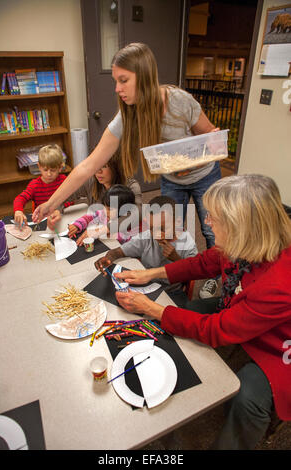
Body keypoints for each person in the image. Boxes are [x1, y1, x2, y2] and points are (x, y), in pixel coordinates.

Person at [114, 174, 291, 450]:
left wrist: (151, 308)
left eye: (213, 218)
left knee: (248, 396)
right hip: (241, 306)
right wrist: (151, 273)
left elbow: (217, 330)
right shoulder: (247, 241)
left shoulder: (279, 284)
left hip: (279, 343)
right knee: (185, 311)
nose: (205, 223)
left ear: (240, 228)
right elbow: (204, 262)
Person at [32, 42, 220, 297]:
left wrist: (193, 162)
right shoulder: (127, 115)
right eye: (115, 81)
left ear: (142, 76)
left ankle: (216, 277)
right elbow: (89, 164)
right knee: (162, 232)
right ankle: (166, 282)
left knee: (211, 231)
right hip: (172, 179)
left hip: (203, 174)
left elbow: (210, 135)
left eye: (123, 80)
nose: (117, 88)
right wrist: (51, 203)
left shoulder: (179, 101)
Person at [94, 195, 198, 292]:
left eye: (162, 229)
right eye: (152, 228)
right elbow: (118, 252)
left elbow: (193, 274)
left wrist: (176, 259)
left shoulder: (188, 245)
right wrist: (108, 258)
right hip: (146, 285)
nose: (157, 234)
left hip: (171, 291)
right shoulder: (147, 236)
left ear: (178, 222)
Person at [47, 152, 142, 245]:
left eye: (104, 166)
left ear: (116, 167)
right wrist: (56, 210)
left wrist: (99, 231)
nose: (98, 171)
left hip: (118, 241)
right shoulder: (91, 181)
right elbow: (63, 195)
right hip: (97, 237)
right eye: (96, 166)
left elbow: (137, 214)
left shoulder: (131, 186)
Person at [13, 144, 66, 228]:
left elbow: (69, 201)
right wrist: (18, 211)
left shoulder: (63, 180)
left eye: (53, 170)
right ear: (39, 167)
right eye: (45, 170)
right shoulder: (35, 184)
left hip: (60, 219)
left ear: (60, 168)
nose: (49, 174)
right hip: (42, 221)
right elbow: (20, 198)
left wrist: (59, 210)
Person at [67, 184, 138, 245]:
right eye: (104, 206)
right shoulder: (104, 214)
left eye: (110, 209)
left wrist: (100, 232)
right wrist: (77, 225)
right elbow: (89, 217)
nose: (105, 211)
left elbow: (126, 240)